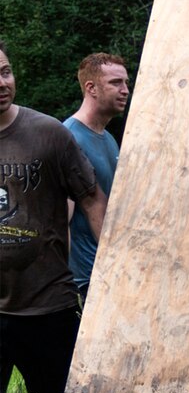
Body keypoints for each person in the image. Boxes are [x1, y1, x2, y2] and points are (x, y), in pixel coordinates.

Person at [0, 40, 107, 393]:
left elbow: (92, 199)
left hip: (45, 301)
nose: (1, 81)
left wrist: (112, 267)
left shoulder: (49, 134)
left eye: (5, 71)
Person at [65, 52, 127, 304]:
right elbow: (59, 220)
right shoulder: (68, 138)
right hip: (89, 280)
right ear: (91, 88)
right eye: (116, 83)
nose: (125, 90)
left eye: (126, 83)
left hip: (114, 271)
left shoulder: (109, 138)